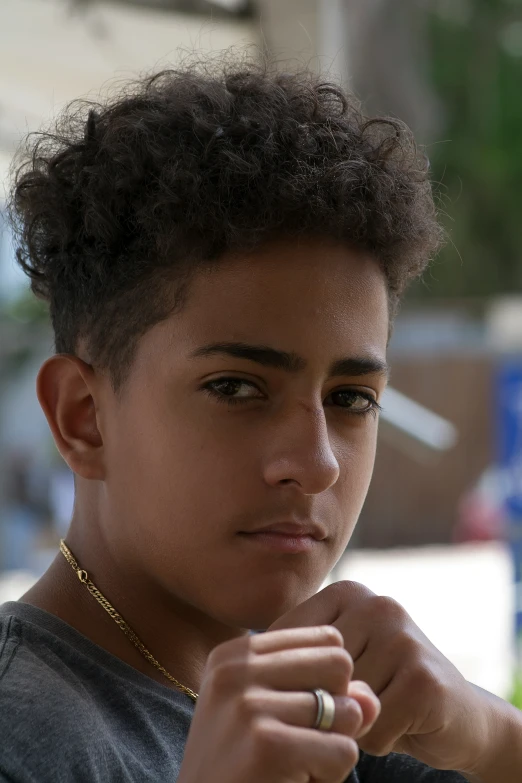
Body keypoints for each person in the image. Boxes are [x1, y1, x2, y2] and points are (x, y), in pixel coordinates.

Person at [1, 56, 520, 783]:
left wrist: (487, 733)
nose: (317, 463)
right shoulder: (24, 739)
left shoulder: (338, 706)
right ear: (83, 417)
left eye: (350, 398)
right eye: (237, 387)